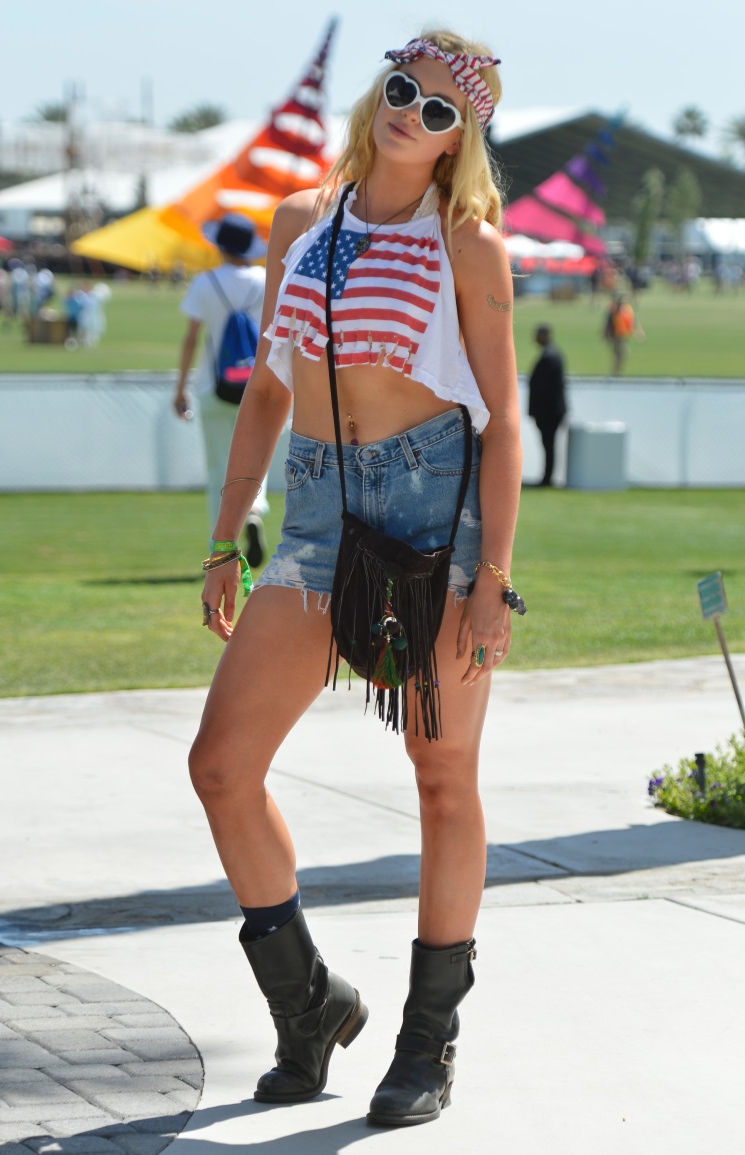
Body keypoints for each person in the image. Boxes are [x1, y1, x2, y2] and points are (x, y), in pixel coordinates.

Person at [188, 29, 521, 1128]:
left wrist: (494, 574)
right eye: (403, 90)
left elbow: (503, 419)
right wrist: (227, 535)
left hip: (435, 517)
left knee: (442, 776)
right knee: (221, 765)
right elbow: (269, 393)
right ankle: (310, 1005)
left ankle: (429, 1041)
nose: (412, 114)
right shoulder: (301, 223)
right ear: (380, 90)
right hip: (319, 512)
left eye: (440, 111)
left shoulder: (468, 245)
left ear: (459, 141)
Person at [174, 214, 270, 558]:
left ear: (220, 246)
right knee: (256, 462)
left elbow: (191, 338)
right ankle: (254, 511)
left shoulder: (205, 282)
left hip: (214, 387)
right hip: (259, 389)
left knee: (219, 468)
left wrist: (180, 389)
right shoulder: (266, 280)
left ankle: (222, 548)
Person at [528, 323, 567, 486]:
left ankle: (547, 478)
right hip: (550, 411)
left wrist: (539, 411)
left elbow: (544, 388)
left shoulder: (549, 357)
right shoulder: (551, 354)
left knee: (548, 445)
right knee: (548, 445)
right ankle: (547, 477)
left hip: (549, 412)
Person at [603, 292, 635, 374]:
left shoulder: (626, 309)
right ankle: (615, 372)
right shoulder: (614, 310)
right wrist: (606, 335)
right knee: (620, 353)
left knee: (621, 354)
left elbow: (633, 321)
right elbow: (608, 323)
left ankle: (616, 371)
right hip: (617, 336)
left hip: (623, 335)